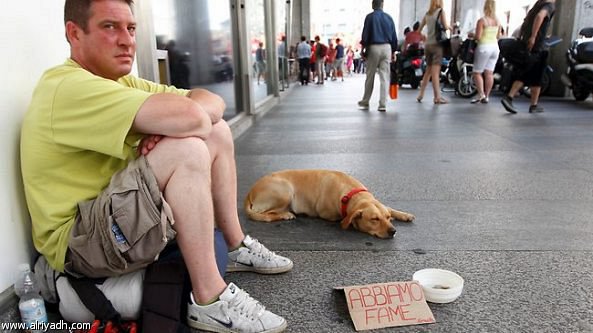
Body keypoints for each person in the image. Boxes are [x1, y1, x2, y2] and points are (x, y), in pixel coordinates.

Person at [20, 1, 292, 332]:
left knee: (215, 132)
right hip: (79, 243)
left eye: (131, 28)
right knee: (187, 148)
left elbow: (210, 103)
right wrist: (169, 127)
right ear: (74, 33)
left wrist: (164, 126)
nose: (127, 40)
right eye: (110, 27)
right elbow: (192, 116)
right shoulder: (67, 87)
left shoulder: (121, 83)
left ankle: (235, 246)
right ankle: (210, 301)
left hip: (111, 216)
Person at [501, 0, 556, 113]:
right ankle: (509, 97)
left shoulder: (538, 4)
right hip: (537, 46)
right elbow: (540, 16)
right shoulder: (549, 6)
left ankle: (533, 105)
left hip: (532, 44)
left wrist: (528, 36)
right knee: (529, 72)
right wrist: (534, 36)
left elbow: (526, 21)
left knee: (537, 75)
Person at [357, 0, 398, 112]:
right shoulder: (389, 18)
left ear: (373, 5)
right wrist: (393, 51)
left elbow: (365, 35)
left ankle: (365, 101)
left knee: (370, 75)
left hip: (373, 47)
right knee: (384, 76)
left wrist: (363, 49)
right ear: (382, 5)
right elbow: (394, 37)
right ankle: (382, 104)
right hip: (387, 47)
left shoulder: (369, 17)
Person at [416, 0, 451, 104]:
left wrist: (424, 38)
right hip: (437, 45)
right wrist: (449, 27)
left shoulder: (427, 14)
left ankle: (420, 94)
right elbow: (445, 27)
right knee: (435, 73)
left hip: (428, 45)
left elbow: (418, 31)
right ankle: (437, 97)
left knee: (428, 71)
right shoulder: (441, 12)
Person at [471, 0, 501, 104]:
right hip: (495, 48)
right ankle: (487, 96)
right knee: (489, 73)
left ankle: (481, 95)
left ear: (485, 7)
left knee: (477, 72)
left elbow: (478, 37)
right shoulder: (498, 21)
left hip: (484, 47)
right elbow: (499, 36)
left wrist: (471, 35)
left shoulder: (482, 20)